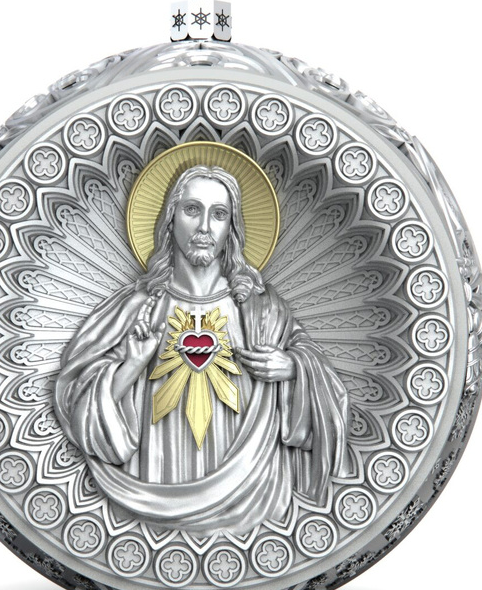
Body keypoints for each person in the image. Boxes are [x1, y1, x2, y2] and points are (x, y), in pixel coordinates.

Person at [54, 165, 350, 535]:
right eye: (192, 210)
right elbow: (78, 406)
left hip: (252, 489)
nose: (205, 227)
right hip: (152, 484)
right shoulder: (136, 310)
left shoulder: (261, 310)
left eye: (219, 214)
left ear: (232, 228)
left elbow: (330, 396)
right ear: (170, 218)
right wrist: (131, 366)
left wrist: (292, 367)